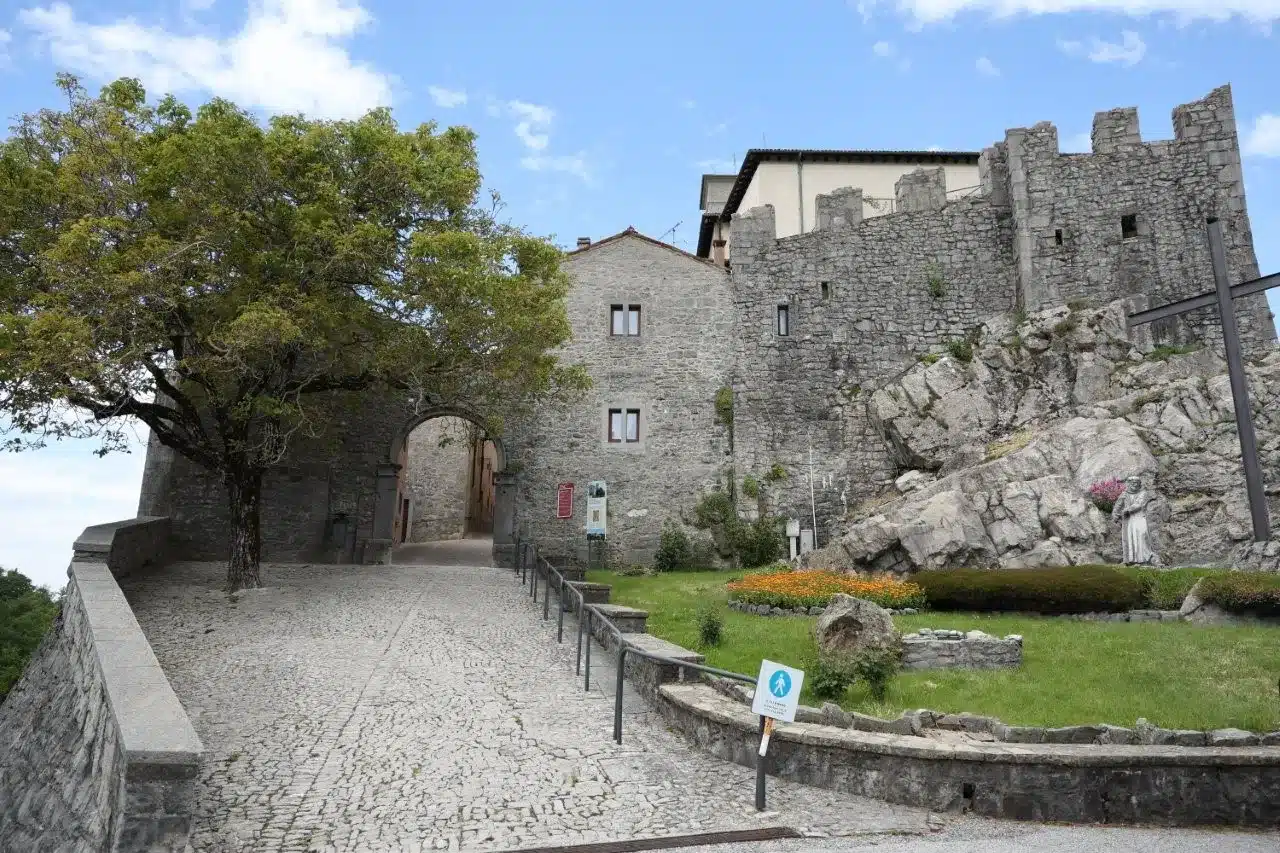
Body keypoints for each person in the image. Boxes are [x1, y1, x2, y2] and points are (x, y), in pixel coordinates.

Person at [1111, 474, 1158, 566]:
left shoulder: (1143, 493)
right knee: (1131, 538)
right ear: (1129, 484)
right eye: (1133, 483)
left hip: (1140, 518)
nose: (1135, 484)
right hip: (1129, 520)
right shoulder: (1124, 494)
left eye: (1137, 483)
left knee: (1142, 536)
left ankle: (1145, 558)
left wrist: (1126, 510)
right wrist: (1115, 514)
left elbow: (1139, 504)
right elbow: (1117, 505)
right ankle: (1132, 560)